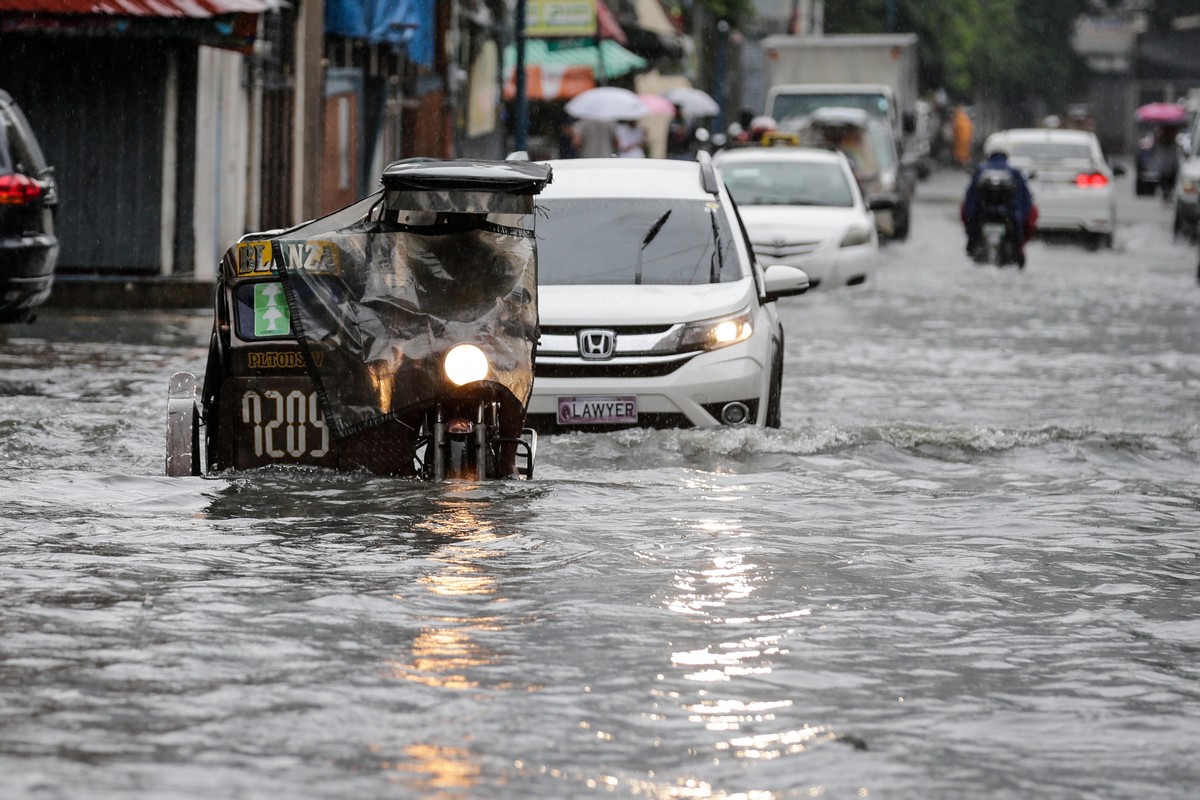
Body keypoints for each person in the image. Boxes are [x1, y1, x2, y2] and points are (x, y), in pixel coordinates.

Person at [961, 144, 1037, 267]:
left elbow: (969, 201)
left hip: (984, 217)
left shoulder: (981, 170)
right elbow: (1025, 201)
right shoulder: (1014, 172)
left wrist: (971, 226)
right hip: (1009, 218)